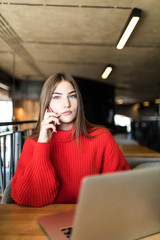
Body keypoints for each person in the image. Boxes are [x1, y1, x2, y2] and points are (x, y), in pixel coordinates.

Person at [11, 72, 130, 207]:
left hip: (91, 217)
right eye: (57, 97)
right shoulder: (34, 143)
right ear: (47, 105)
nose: (66, 104)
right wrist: (42, 144)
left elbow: (122, 189)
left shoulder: (101, 137)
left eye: (72, 96)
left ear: (78, 101)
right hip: (47, 218)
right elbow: (28, 199)